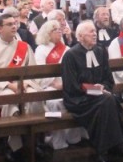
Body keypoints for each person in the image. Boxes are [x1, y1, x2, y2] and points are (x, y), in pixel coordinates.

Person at [62, 21, 123, 162]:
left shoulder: (101, 52)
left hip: (101, 98)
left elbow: (108, 79)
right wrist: (92, 89)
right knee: (108, 102)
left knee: (107, 103)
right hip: (79, 100)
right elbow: (71, 86)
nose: (94, 34)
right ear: (80, 36)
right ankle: (118, 145)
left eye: (95, 31)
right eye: (90, 32)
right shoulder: (70, 55)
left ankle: (103, 152)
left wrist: (103, 88)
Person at [0, 14, 38, 158]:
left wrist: (25, 83)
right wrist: (8, 85)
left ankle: (33, 142)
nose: (14, 26)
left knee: (35, 96)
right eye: (9, 24)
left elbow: (33, 71)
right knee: (10, 100)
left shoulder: (24, 47)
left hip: (23, 85)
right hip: (0, 88)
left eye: (15, 23)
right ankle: (12, 146)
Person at [34, 20, 87, 150]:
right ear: (47, 33)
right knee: (55, 103)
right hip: (49, 86)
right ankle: (56, 140)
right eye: (55, 29)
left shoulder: (67, 49)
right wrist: (53, 82)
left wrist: (68, 83)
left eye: (59, 29)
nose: (59, 31)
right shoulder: (41, 50)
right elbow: (39, 73)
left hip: (68, 85)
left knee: (79, 99)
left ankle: (74, 137)